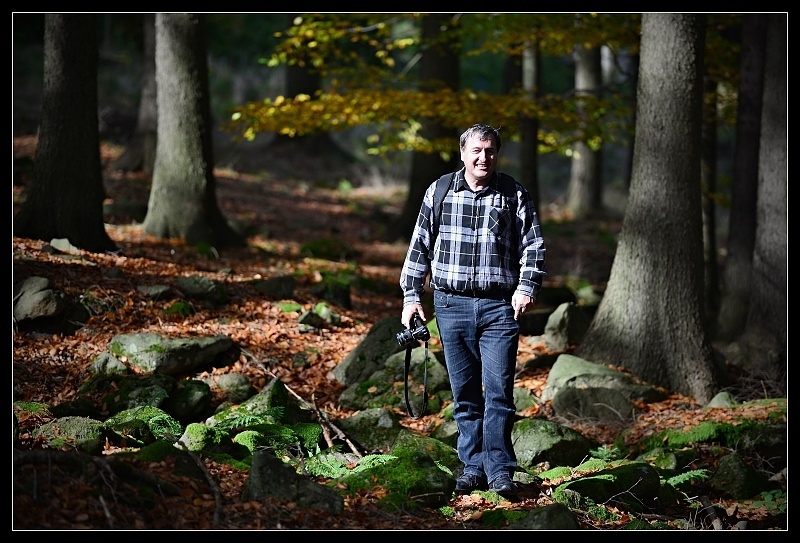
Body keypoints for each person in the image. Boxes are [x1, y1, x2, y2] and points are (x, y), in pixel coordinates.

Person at [399, 123, 547, 499]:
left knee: (499, 394)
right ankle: (472, 467)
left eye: (491, 151)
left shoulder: (513, 194)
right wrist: (411, 297)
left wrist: (526, 287)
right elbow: (419, 245)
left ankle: (500, 470)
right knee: (465, 394)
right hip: (450, 305)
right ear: (463, 153)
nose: (484, 158)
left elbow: (534, 245)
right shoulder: (440, 190)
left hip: (500, 308)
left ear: (497, 154)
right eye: (477, 151)